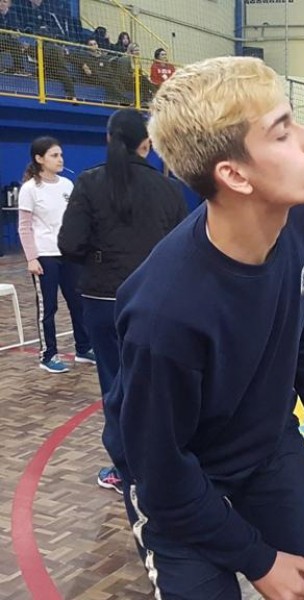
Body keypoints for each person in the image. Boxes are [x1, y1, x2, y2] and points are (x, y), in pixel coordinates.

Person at [102, 56, 304, 600]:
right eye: (283, 131)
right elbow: (160, 470)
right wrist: (259, 560)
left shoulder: (300, 219)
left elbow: (303, 332)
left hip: (267, 447)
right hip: (179, 481)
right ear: (235, 175)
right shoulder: (164, 311)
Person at [58, 109, 187, 494]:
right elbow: (185, 246)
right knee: (158, 384)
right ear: (147, 144)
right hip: (157, 299)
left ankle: (126, 469)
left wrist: (100, 259)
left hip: (103, 300)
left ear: (109, 139)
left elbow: (69, 244)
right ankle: (166, 463)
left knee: (116, 385)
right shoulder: (168, 189)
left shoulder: (89, 183)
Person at [17, 136, 94, 373]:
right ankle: (48, 355)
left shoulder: (67, 185)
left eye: (61, 155)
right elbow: (24, 227)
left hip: (69, 254)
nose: (60, 159)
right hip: (45, 256)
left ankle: (83, 348)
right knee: (48, 308)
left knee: (78, 303)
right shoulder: (30, 189)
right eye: (54, 155)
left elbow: (75, 220)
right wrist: (31, 258)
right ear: (39, 159)